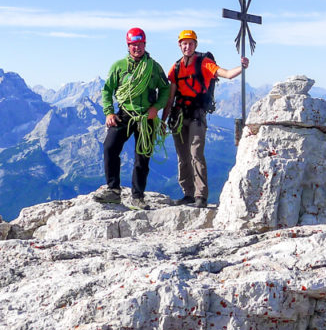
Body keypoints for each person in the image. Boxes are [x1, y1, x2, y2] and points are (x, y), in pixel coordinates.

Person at [162, 29, 248, 208]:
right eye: (184, 43)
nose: (187, 46)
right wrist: (164, 120)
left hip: (196, 116)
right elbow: (170, 98)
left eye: (191, 43)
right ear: (180, 45)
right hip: (178, 116)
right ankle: (188, 194)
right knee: (182, 157)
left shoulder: (204, 63)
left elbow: (227, 74)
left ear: (195, 45)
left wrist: (242, 67)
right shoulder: (176, 67)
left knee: (196, 154)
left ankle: (200, 196)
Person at [94, 27, 171, 209]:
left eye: (140, 44)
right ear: (128, 46)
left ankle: (138, 196)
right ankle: (113, 191)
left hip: (146, 117)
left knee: (142, 156)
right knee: (110, 147)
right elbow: (107, 90)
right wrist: (109, 112)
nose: (137, 48)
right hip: (124, 113)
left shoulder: (153, 67)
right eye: (133, 45)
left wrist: (156, 108)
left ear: (145, 44)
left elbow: (165, 89)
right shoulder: (119, 66)